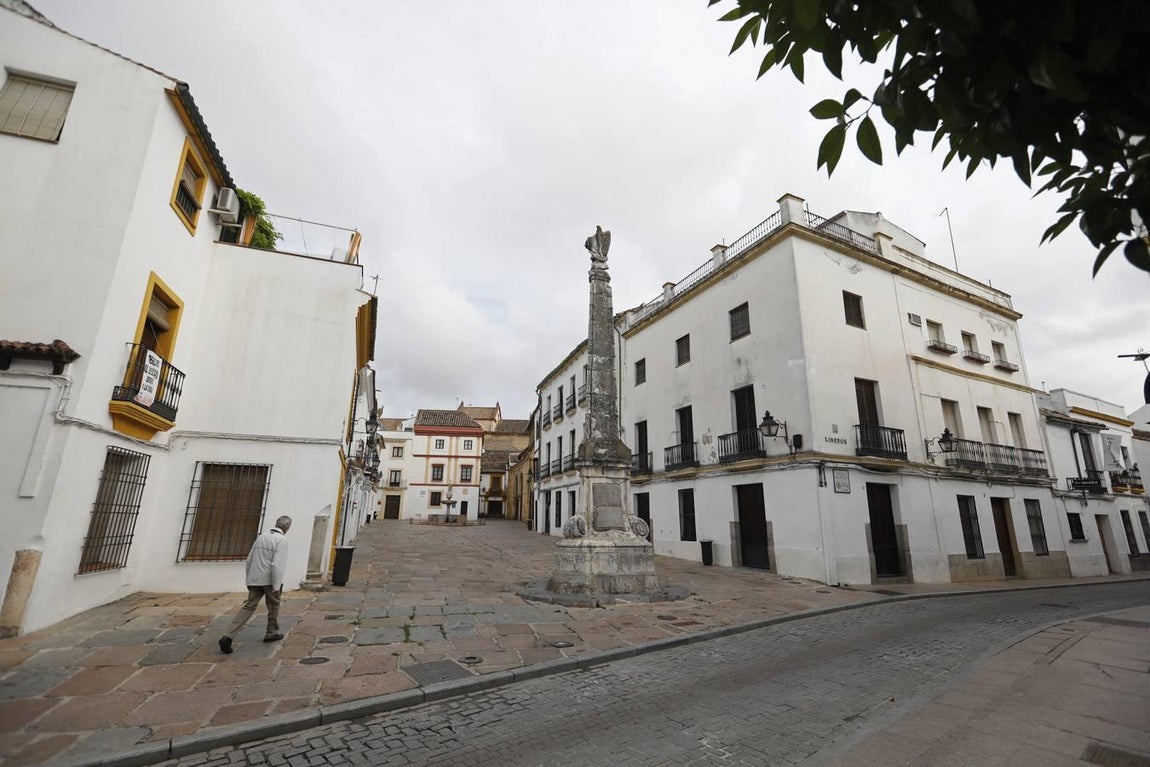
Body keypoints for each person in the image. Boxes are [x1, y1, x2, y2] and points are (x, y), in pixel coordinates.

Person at [219, 515, 292, 654]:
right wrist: (276, 586)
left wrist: (249, 578)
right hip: (270, 581)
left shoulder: (262, 537)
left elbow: (249, 559)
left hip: (255, 578)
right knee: (273, 606)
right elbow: (277, 565)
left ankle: (228, 636)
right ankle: (271, 632)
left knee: (248, 607)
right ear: (287, 527)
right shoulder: (281, 540)